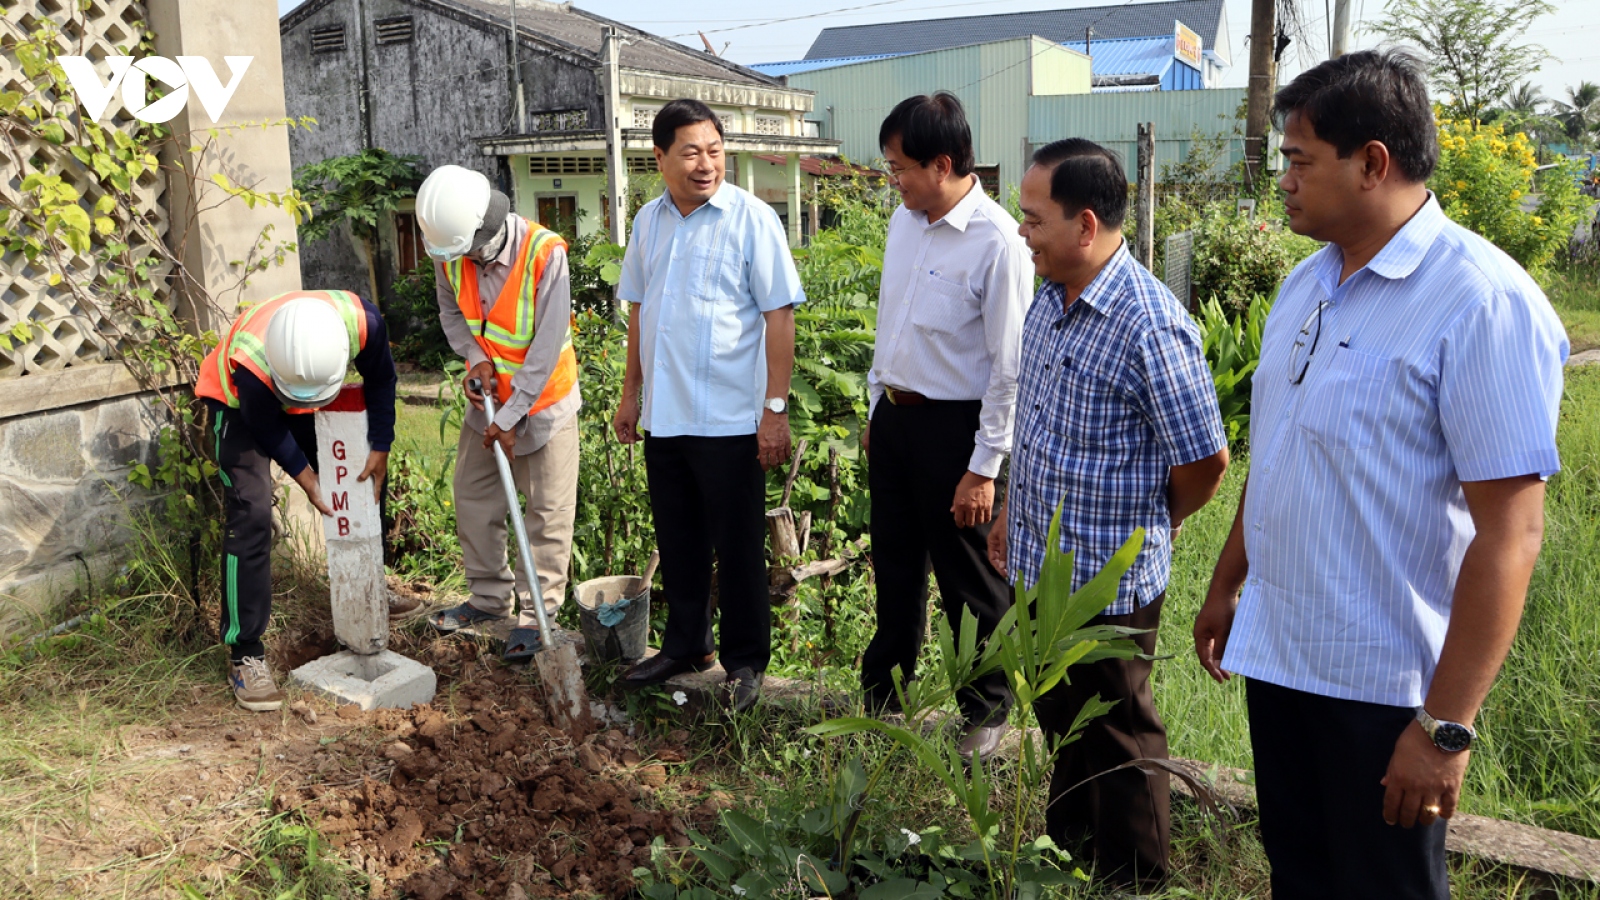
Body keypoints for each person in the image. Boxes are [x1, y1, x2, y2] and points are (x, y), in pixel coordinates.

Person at [1192, 50, 1566, 899]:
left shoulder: (1481, 302)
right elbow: (1284, 448)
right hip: (1285, 656)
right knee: (1304, 876)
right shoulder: (1306, 283)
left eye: (1297, 161)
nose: (1280, 182)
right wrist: (1227, 581)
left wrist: (1444, 728)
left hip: (1385, 686)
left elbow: (1512, 532)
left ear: (1372, 163)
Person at [988, 139, 1228, 887]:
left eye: (1033, 218)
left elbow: (1206, 461)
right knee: (1064, 722)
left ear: (1084, 225)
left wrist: (1155, 525)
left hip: (1107, 582)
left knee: (1122, 733)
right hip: (1038, 564)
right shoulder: (1050, 300)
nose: (1021, 232)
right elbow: (1038, 423)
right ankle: (1072, 847)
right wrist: (1006, 513)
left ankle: (1137, 875)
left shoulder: (1148, 323)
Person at [612, 98, 804, 712]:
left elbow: (779, 315)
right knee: (679, 535)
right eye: (691, 152)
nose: (705, 164)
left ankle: (746, 661)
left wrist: (774, 408)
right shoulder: (649, 221)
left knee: (739, 542)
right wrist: (630, 393)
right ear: (660, 157)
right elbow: (640, 309)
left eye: (715, 151)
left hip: (729, 415)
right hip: (667, 413)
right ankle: (686, 644)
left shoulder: (751, 219)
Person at [860, 92, 1031, 760]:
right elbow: (890, 321)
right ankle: (885, 692)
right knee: (896, 563)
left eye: (901, 167)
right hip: (898, 420)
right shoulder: (905, 222)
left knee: (969, 578)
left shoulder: (997, 243)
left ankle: (986, 710)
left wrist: (985, 465)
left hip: (959, 431)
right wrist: (879, 405)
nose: (894, 179)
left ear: (942, 163)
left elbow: (1008, 367)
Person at [196, 290, 397, 711]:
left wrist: (381, 443)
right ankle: (244, 652)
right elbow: (266, 424)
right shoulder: (253, 363)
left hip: (301, 388)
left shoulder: (364, 324)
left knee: (364, 475)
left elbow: (381, 379)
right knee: (251, 511)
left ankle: (370, 588)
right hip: (238, 404)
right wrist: (306, 478)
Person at [416, 164, 581, 662]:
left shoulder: (544, 254)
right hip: (485, 403)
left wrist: (511, 417)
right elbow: (451, 312)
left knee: (547, 514)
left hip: (543, 404)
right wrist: (475, 356)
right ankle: (489, 600)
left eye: (468, 250)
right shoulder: (450, 252)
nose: (462, 261)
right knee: (473, 496)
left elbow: (547, 344)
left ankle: (538, 618)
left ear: (487, 230)